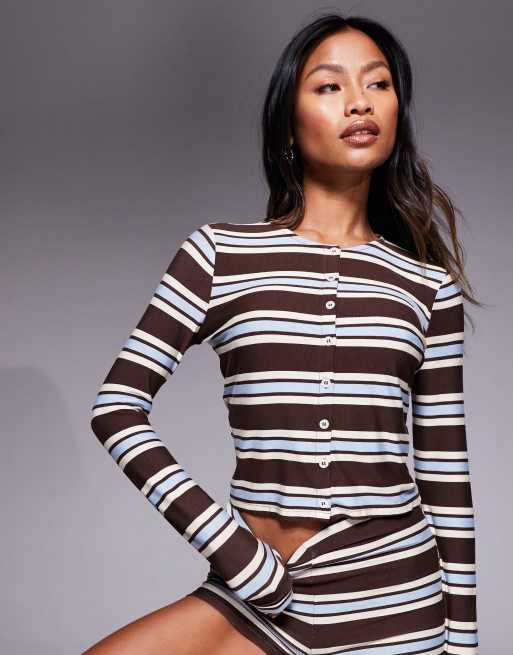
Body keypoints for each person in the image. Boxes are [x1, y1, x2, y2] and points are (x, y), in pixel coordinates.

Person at [83, 12, 479, 655]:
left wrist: (461, 645)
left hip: (395, 601)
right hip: (259, 589)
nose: (359, 101)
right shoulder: (219, 256)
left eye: (378, 84)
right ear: (288, 128)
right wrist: (231, 550)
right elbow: (116, 410)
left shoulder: (428, 288)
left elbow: (445, 480)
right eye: (329, 86)